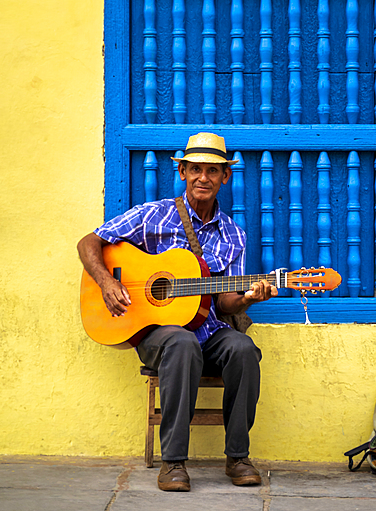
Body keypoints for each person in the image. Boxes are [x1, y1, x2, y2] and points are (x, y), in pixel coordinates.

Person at [77, 132, 278, 493]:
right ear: (182, 172)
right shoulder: (153, 215)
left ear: (224, 177)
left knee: (244, 349)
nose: (204, 177)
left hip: (209, 329)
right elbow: (89, 241)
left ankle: (238, 456)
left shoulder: (234, 235)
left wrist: (249, 298)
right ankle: (173, 462)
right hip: (155, 332)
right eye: (195, 169)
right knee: (182, 343)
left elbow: (226, 301)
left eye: (212, 170)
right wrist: (107, 282)